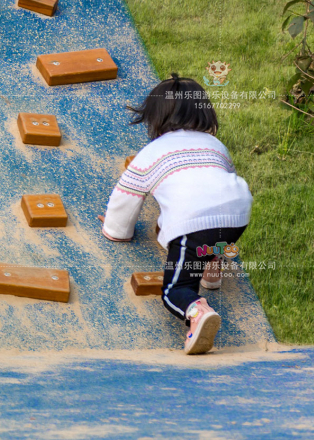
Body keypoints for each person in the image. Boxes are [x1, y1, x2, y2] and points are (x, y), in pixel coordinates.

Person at [100, 74, 252, 354]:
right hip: (238, 212)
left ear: (155, 118)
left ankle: (197, 311)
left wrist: (116, 231)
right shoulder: (215, 146)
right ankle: (212, 263)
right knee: (214, 230)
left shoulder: (150, 153)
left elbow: (126, 197)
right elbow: (221, 180)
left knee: (174, 290)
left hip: (192, 221)